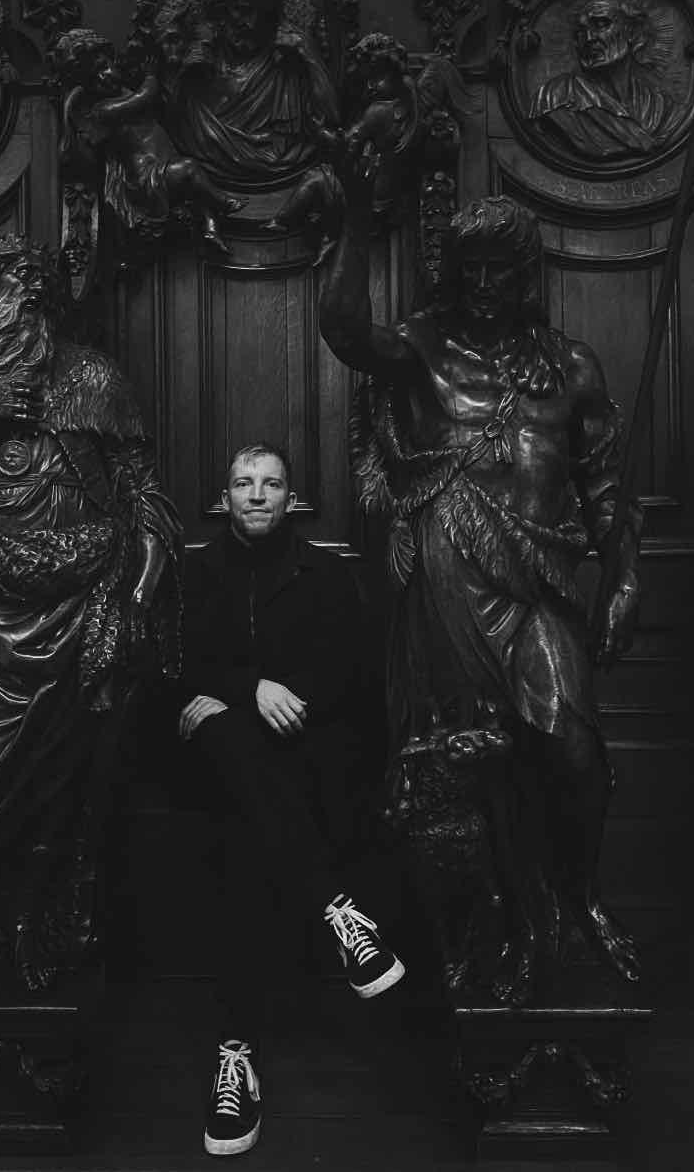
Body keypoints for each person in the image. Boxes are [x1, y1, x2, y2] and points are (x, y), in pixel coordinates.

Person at [320, 193, 642, 1003]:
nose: (487, 284)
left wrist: (624, 577)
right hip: (448, 576)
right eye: (473, 269)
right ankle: (496, 928)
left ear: (527, 274)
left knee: (573, 752)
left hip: (540, 585)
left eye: (503, 269)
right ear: (453, 272)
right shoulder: (424, 347)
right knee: (470, 764)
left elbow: (605, 489)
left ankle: (576, 900)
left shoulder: (571, 366)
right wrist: (353, 220)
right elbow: (344, 332)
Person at [0, 234, 182, 1027]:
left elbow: (143, 492)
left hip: (75, 612)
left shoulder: (94, 379)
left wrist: (141, 585)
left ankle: (29, 924)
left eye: (32, 292)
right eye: (6, 292)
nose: (21, 307)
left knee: (60, 781)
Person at [179, 442, 405, 1156]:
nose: (256, 494)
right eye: (243, 482)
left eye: (270, 483)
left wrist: (262, 698)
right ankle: (340, 911)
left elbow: (350, 674)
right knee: (222, 735)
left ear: (290, 498)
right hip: (210, 762)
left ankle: (233, 1055)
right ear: (224, 497)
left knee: (248, 841)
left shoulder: (327, 575)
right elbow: (174, 665)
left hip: (303, 758)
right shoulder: (193, 574)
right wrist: (251, 687)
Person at [52, 27, 243, 254]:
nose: (105, 76)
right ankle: (223, 201)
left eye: (105, 66)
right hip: (148, 174)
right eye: (94, 78)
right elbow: (145, 97)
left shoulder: (122, 90)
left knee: (195, 191)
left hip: (165, 159)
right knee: (190, 170)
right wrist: (151, 75)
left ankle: (211, 228)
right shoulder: (105, 109)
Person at [169, 0, 339, 186]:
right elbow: (175, 122)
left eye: (263, 14)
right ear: (222, 9)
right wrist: (188, 72)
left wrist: (309, 57)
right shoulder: (198, 66)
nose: (251, 23)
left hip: (283, 167)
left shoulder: (288, 64)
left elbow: (332, 120)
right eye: (243, 10)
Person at [529, 0, 673, 160]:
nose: (589, 38)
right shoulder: (555, 97)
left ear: (632, 32)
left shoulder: (661, 106)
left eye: (601, 25)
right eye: (581, 32)